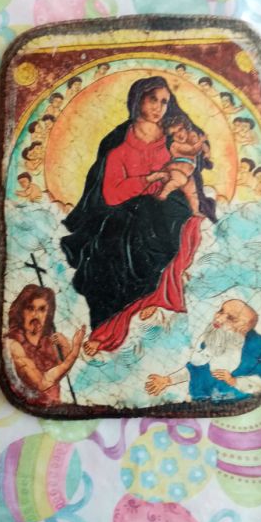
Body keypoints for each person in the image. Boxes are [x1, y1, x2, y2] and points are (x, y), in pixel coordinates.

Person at [61, 76, 216, 356]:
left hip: (167, 214)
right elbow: (109, 195)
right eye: (152, 99)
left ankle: (153, 307)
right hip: (125, 215)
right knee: (109, 248)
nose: (158, 107)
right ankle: (109, 328)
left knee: (159, 217)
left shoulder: (175, 137)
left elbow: (189, 172)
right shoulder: (117, 144)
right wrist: (146, 181)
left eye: (164, 101)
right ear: (137, 100)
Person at [145, 299, 261, 401]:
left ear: (244, 328)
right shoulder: (214, 340)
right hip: (200, 402)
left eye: (231, 318)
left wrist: (234, 381)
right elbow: (195, 368)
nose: (218, 319)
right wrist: (167, 380)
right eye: (221, 311)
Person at [6, 285, 85, 405]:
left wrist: (65, 348)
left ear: (48, 314)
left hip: (54, 406)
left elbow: (61, 372)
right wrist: (74, 352)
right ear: (21, 312)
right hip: (27, 408)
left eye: (42, 309)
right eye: (30, 308)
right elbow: (42, 384)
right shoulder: (13, 344)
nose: (35, 315)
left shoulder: (49, 342)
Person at [155, 115, 210, 215]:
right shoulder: (175, 145)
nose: (179, 135)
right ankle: (164, 193)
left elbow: (202, 145)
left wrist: (207, 152)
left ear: (186, 128)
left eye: (180, 129)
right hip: (176, 170)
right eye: (173, 133)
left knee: (192, 192)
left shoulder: (191, 139)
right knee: (179, 180)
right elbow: (192, 150)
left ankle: (195, 210)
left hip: (189, 172)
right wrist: (201, 141)